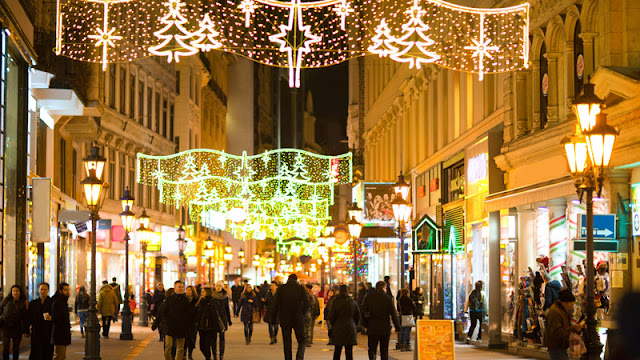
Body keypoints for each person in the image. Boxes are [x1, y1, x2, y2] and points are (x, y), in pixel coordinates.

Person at [273, 274, 310, 360]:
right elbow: (307, 303)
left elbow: (275, 304)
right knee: (302, 340)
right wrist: (302, 313)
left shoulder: (281, 289)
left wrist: (274, 317)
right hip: (298, 317)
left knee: (287, 341)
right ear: (296, 280)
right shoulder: (300, 289)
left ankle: (288, 358)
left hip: (285, 318)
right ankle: (299, 357)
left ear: (288, 279)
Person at [362, 281, 400, 360]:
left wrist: (365, 325)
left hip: (372, 326)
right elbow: (393, 313)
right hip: (384, 327)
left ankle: (372, 358)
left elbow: (363, 312)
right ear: (383, 288)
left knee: (372, 348)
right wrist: (397, 327)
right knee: (384, 349)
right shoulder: (388, 298)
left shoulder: (369, 297)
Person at [160, 281, 195, 360]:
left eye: (182, 287)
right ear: (175, 288)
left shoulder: (186, 300)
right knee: (168, 346)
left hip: (181, 327)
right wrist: (165, 322)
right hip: (170, 326)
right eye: (179, 287)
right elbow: (163, 312)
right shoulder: (169, 299)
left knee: (180, 348)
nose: (181, 288)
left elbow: (189, 314)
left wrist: (188, 324)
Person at [544, 289, 583, 360]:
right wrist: (573, 328)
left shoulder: (561, 310)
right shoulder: (555, 313)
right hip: (556, 346)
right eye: (571, 304)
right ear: (566, 303)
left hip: (560, 346)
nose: (571, 307)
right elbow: (557, 333)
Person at [329, 285, 359, 360]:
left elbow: (331, 316)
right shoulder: (352, 302)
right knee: (349, 351)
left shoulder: (335, 302)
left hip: (338, 327)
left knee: (337, 350)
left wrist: (334, 324)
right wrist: (354, 324)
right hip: (350, 327)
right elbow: (357, 316)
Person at [0, 284, 28, 360]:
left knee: (16, 348)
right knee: (5, 348)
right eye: (14, 291)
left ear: (20, 292)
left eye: (17, 291)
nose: (15, 292)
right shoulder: (6, 300)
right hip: (6, 327)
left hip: (17, 327)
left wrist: (25, 330)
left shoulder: (22, 303)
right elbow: (0, 309)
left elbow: (25, 317)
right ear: (11, 292)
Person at [27, 282, 53, 360]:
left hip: (48, 332)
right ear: (38, 290)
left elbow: (57, 317)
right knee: (35, 352)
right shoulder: (33, 303)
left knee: (47, 352)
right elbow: (28, 317)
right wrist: (26, 330)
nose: (43, 291)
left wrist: (51, 318)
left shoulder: (52, 303)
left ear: (48, 290)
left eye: (45, 289)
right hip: (36, 331)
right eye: (41, 289)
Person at [196, 287, 220, 360]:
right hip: (201, 327)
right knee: (202, 346)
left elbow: (215, 315)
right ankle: (208, 357)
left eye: (203, 292)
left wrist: (216, 327)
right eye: (201, 292)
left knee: (207, 345)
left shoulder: (212, 302)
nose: (201, 293)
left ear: (207, 293)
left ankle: (208, 357)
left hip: (210, 327)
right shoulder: (200, 301)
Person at [211, 281, 232, 360]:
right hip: (214, 319)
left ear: (222, 287)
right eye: (217, 286)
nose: (218, 288)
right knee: (214, 337)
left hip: (222, 319)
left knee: (222, 337)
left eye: (219, 286)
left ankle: (221, 354)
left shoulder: (225, 296)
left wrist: (229, 320)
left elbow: (227, 309)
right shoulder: (212, 296)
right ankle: (214, 353)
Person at [51, 282, 71, 360]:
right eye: (65, 290)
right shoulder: (57, 302)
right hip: (59, 334)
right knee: (59, 356)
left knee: (61, 356)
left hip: (62, 333)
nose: (67, 292)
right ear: (60, 291)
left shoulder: (62, 301)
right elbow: (57, 319)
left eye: (68, 290)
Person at [184, 286, 199, 360]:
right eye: (187, 290)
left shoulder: (196, 300)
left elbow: (198, 311)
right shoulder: (183, 299)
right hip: (185, 322)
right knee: (185, 339)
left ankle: (190, 354)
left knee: (192, 339)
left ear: (192, 291)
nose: (187, 291)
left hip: (193, 322)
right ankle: (184, 354)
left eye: (189, 290)